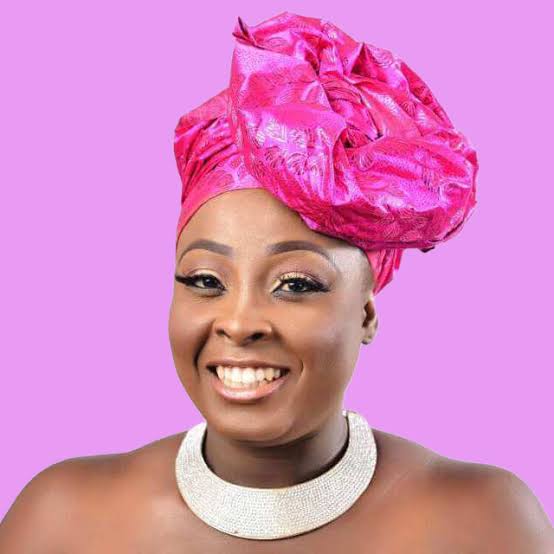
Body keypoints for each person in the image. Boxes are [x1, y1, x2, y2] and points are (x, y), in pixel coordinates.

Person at [1, 11, 552, 552]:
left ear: (366, 312)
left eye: (295, 284)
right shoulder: (60, 519)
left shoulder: (484, 523)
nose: (239, 323)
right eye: (205, 280)